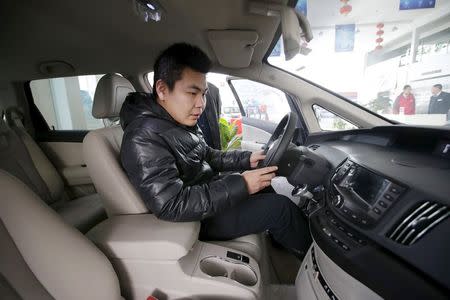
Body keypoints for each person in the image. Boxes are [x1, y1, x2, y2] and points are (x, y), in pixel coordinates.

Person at [120, 43, 311, 256]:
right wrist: (242, 183)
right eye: (192, 93)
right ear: (162, 90)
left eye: (203, 94)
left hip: (207, 197)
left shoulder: (175, 122)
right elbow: (171, 204)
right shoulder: (144, 136)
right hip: (197, 220)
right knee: (280, 208)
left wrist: (247, 160)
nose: (201, 104)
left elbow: (208, 156)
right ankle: (313, 260)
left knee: (264, 184)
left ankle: (283, 239)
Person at [197, 82, 221, 150]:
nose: (201, 104)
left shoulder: (214, 89)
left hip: (211, 137)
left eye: (204, 94)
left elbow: (217, 113)